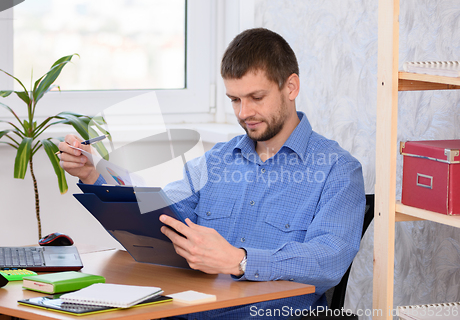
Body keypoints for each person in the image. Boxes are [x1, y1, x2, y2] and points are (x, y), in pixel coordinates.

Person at [59, 28, 365, 319]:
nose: (244, 113)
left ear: (291, 87)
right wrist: (92, 175)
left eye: (256, 97)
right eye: (235, 100)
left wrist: (241, 260)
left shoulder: (337, 170)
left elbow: (329, 259)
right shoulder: (217, 160)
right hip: (181, 310)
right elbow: (162, 217)